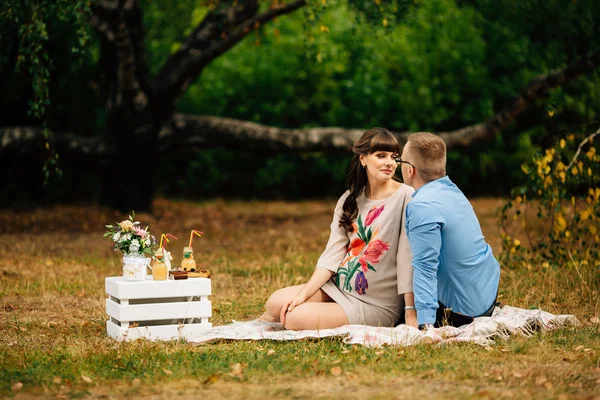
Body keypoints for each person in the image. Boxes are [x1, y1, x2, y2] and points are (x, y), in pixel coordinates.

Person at [259, 128, 417, 330]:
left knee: (291, 318)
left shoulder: (406, 196)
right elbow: (331, 256)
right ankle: (310, 308)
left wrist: (410, 312)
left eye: (394, 157)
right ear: (363, 159)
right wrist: (304, 295)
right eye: (381, 156)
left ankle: (310, 313)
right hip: (338, 288)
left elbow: (408, 258)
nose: (390, 163)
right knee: (275, 302)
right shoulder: (349, 200)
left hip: (376, 304)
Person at [397, 132, 500, 330]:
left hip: (465, 310)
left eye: (400, 160)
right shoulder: (452, 191)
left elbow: (425, 267)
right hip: (487, 292)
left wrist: (425, 324)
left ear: (410, 170)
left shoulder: (422, 206)